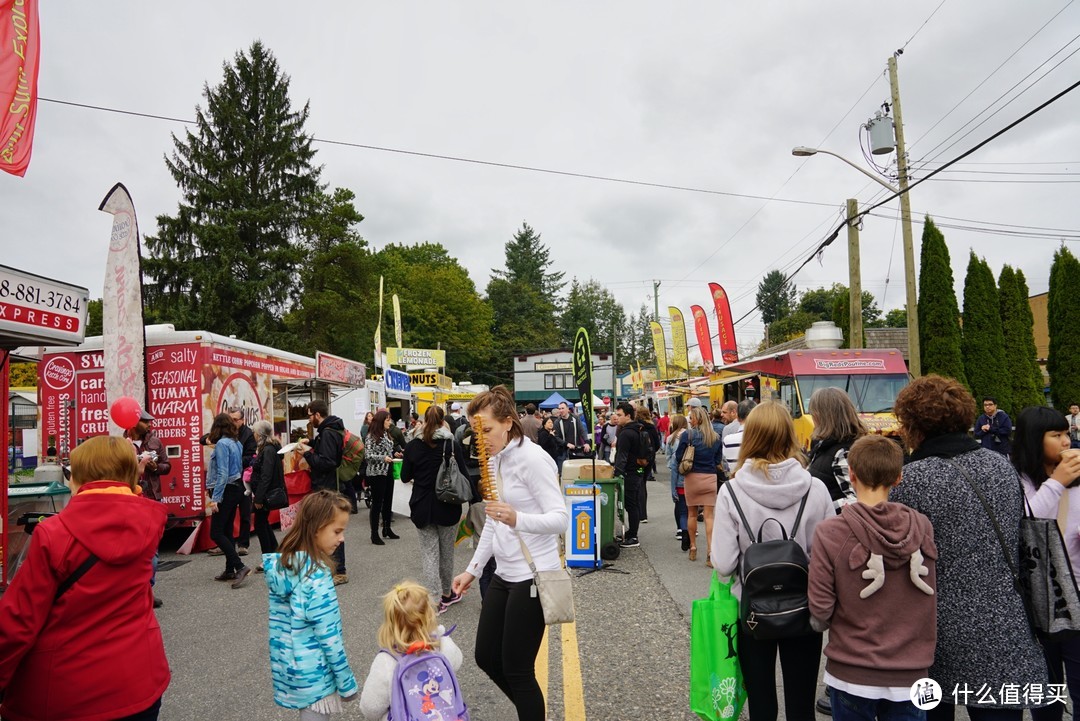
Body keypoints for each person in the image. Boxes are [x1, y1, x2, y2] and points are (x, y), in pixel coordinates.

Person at [889, 375, 1047, 721]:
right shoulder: (1001, 469)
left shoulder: (910, 480)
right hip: (1003, 621)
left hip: (933, 628)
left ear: (913, 424)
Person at [0, 435, 170, 721]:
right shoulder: (149, 522)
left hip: (67, 692)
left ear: (82, 475)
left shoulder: (54, 533)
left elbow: (18, 622)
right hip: (141, 680)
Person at [451, 386, 568, 721]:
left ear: (508, 422)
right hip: (503, 575)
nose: (481, 438)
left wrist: (519, 518)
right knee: (486, 657)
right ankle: (530, 710)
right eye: (476, 431)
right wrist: (472, 570)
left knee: (518, 670)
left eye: (486, 429)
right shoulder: (497, 459)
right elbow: (493, 522)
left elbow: (560, 519)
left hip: (533, 576)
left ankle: (531, 712)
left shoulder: (533, 459)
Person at [711, 401, 833, 721]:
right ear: (789, 436)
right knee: (801, 702)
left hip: (752, 611)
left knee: (762, 703)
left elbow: (723, 563)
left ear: (750, 437)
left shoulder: (733, 491)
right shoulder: (816, 489)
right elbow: (829, 558)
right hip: (805, 609)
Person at [808, 434, 937, 721]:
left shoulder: (831, 532)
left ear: (851, 475)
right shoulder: (922, 527)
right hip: (912, 670)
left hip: (852, 668)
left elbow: (820, 610)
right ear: (899, 477)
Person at [1012, 405, 1080, 721]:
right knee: (1046, 695)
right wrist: (1056, 483)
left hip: (1076, 604)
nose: (1066, 442)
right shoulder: (1016, 481)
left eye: (1067, 433)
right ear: (1033, 440)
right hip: (1038, 609)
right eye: (1056, 435)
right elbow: (1025, 529)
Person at [265, 490, 358, 719]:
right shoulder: (315, 577)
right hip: (317, 677)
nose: (342, 538)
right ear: (317, 527)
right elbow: (329, 637)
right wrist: (346, 683)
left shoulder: (286, 568)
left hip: (292, 671)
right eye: (337, 531)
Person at [359, 581, 465, 721]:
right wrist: (439, 633)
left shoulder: (386, 660)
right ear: (430, 616)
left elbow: (371, 708)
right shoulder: (442, 645)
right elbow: (457, 662)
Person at [402, 405, 469, 613]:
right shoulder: (450, 444)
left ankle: (433, 600)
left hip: (422, 504)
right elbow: (464, 473)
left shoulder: (413, 445)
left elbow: (404, 476)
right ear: (443, 422)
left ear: (423, 421)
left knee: (429, 553)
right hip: (448, 505)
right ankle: (448, 593)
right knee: (446, 552)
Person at [126, 408, 171, 608]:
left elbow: (167, 466)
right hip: (130, 498)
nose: (150, 424)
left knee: (152, 549)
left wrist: (155, 468)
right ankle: (134, 591)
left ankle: (148, 590)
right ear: (134, 423)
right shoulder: (121, 444)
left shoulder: (155, 442)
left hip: (152, 498)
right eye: (145, 421)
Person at [206, 411, 252, 588]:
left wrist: (215, 498)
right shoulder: (236, 442)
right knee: (226, 530)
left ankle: (239, 566)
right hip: (237, 488)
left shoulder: (222, 444)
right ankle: (229, 569)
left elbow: (223, 473)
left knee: (216, 532)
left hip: (227, 489)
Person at [807, 387, 867, 513]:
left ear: (821, 416)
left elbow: (857, 499)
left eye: (813, 413)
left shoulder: (843, 453)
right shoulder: (824, 446)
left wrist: (822, 507)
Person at [677, 406, 724, 565]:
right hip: (710, 477)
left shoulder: (687, 435)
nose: (689, 420)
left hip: (692, 477)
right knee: (710, 516)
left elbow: (678, 457)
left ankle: (693, 547)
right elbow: (718, 460)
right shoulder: (715, 437)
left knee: (691, 514)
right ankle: (710, 551)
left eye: (691, 418)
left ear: (696, 419)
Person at [612, 401, 649, 549]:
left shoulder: (626, 433)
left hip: (629, 472)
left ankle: (633, 536)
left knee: (631, 504)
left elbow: (622, 455)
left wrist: (617, 472)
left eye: (620, 415)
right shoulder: (638, 429)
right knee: (632, 503)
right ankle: (631, 533)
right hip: (638, 470)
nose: (617, 418)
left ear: (628, 416)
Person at [251, 419, 284, 566]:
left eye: (254, 432)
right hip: (264, 492)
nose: (253, 435)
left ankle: (269, 558)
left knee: (260, 524)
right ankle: (275, 553)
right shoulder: (269, 447)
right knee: (262, 523)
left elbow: (266, 475)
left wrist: (258, 498)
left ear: (259, 434)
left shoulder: (268, 449)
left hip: (264, 493)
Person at [365, 410, 399, 547]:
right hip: (376, 472)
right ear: (381, 421)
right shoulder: (371, 436)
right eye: (387, 420)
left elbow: (387, 450)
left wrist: (394, 453)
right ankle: (374, 533)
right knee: (377, 503)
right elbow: (368, 455)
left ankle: (387, 528)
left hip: (388, 469)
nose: (389, 422)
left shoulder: (386, 434)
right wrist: (382, 458)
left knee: (389, 501)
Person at [665, 413, 690, 551]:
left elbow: (669, 456)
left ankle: (681, 529)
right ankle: (691, 529)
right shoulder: (691, 435)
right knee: (690, 507)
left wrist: (671, 466)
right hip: (690, 474)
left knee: (680, 506)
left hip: (677, 473)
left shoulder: (670, 438)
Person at [552, 400, 591, 476]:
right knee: (563, 473)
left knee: (576, 472)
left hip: (575, 451)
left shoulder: (575, 418)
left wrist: (586, 442)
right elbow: (556, 437)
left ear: (567, 409)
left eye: (562, 408)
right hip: (562, 451)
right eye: (559, 409)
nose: (561, 410)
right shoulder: (557, 422)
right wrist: (566, 444)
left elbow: (582, 430)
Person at [721, 399, 755, 476]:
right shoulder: (762, 437)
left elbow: (724, 462)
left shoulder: (728, 440)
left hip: (735, 480)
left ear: (738, 417)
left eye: (724, 412)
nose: (721, 415)